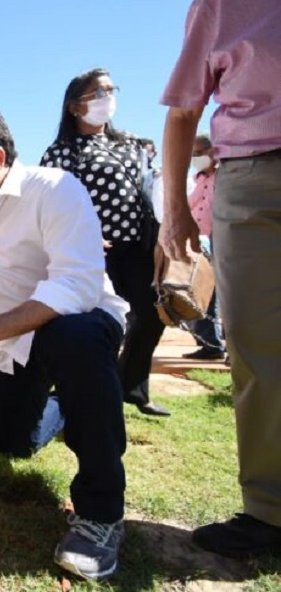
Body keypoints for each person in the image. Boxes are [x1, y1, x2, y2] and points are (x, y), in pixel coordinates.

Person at [0, 107, 129, 580]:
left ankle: (101, 515)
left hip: (79, 323)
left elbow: (77, 285)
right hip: (10, 341)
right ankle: (64, 407)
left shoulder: (54, 189)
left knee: (73, 336)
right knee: (10, 445)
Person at [160, 0, 281, 558]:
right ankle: (270, 510)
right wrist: (176, 210)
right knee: (257, 346)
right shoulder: (219, 5)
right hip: (253, 180)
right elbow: (183, 112)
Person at [41, 68, 170, 417]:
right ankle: (86, 391)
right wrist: (83, 233)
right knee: (100, 322)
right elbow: (50, 202)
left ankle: (132, 387)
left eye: (111, 90)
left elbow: (152, 186)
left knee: (152, 315)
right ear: (74, 107)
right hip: (94, 250)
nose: (107, 99)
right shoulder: (62, 152)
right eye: (97, 93)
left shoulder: (130, 142)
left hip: (141, 244)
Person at [182, 133, 225, 360]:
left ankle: (225, 344)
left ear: (213, 151)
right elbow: (193, 206)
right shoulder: (199, 178)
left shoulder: (226, 175)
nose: (195, 158)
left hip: (226, 237)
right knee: (206, 291)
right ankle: (211, 344)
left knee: (226, 292)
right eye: (192, 155)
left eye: (199, 153)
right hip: (205, 241)